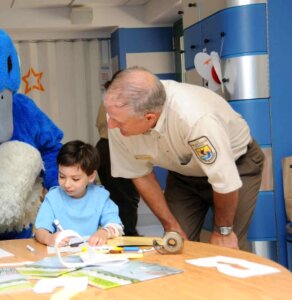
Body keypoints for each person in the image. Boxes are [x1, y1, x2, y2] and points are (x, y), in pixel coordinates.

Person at [104, 67, 264, 251]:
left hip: (236, 167)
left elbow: (225, 181)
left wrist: (223, 232)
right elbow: (140, 175)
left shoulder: (194, 118)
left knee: (226, 250)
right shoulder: (119, 114)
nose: (110, 124)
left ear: (149, 118)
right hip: (184, 174)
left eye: (117, 122)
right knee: (175, 244)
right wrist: (170, 225)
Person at [34, 140, 124, 247]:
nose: (67, 184)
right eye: (62, 176)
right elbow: (40, 231)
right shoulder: (53, 198)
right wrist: (49, 238)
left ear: (91, 176)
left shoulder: (100, 197)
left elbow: (117, 226)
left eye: (75, 179)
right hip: (61, 257)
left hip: (90, 256)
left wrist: (104, 233)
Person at [96, 76, 140, 236]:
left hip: (103, 147)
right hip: (114, 148)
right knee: (126, 198)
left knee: (116, 195)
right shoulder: (121, 100)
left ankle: (120, 231)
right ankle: (126, 234)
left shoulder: (110, 97)